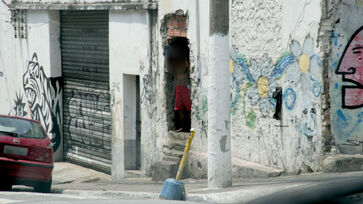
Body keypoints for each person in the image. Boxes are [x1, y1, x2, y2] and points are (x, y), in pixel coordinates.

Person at [166, 38, 191, 132]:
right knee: (178, 108)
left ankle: (187, 126)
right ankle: (181, 126)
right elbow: (175, 81)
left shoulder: (185, 66)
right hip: (178, 88)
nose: (175, 61)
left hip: (185, 87)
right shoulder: (175, 68)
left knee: (188, 108)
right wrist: (173, 92)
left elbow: (188, 70)